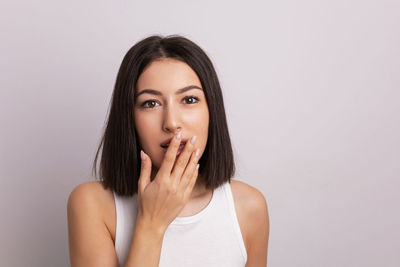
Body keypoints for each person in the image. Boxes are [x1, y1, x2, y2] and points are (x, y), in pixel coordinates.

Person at [67, 34, 270, 267]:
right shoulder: (92, 204)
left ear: (212, 110)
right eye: (150, 103)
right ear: (129, 118)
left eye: (189, 99)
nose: (171, 122)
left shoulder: (249, 206)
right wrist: (152, 223)